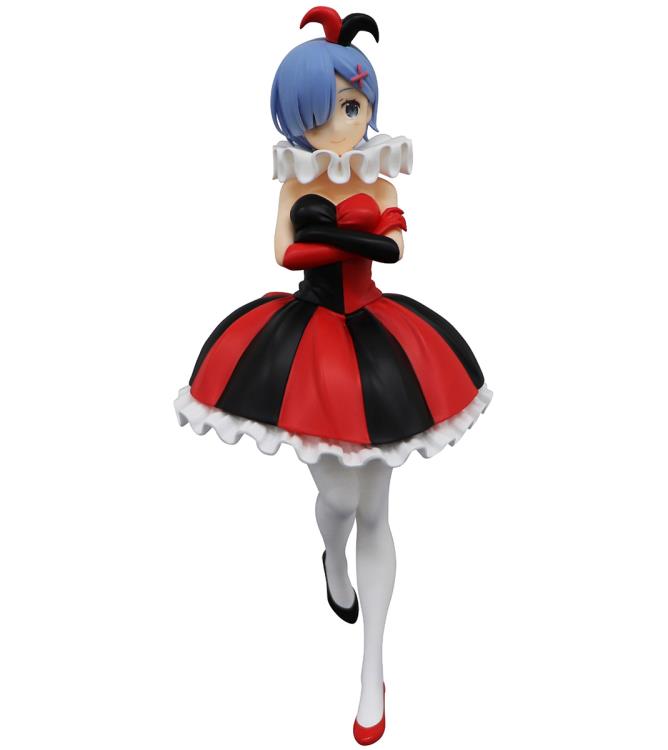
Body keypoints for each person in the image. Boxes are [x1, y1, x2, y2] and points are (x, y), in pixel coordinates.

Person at [174, 6, 492, 744]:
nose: (345, 124)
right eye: (328, 111)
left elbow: (396, 248)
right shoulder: (296, 181)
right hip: (311, 340)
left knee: (377, 507)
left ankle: (372, 666)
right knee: (339, 497)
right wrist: (344, 236)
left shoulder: (379, 176)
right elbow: (286, 253)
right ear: (298, 118)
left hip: (376, 338)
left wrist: (346, 235)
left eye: (354, 107)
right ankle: (332, 562)